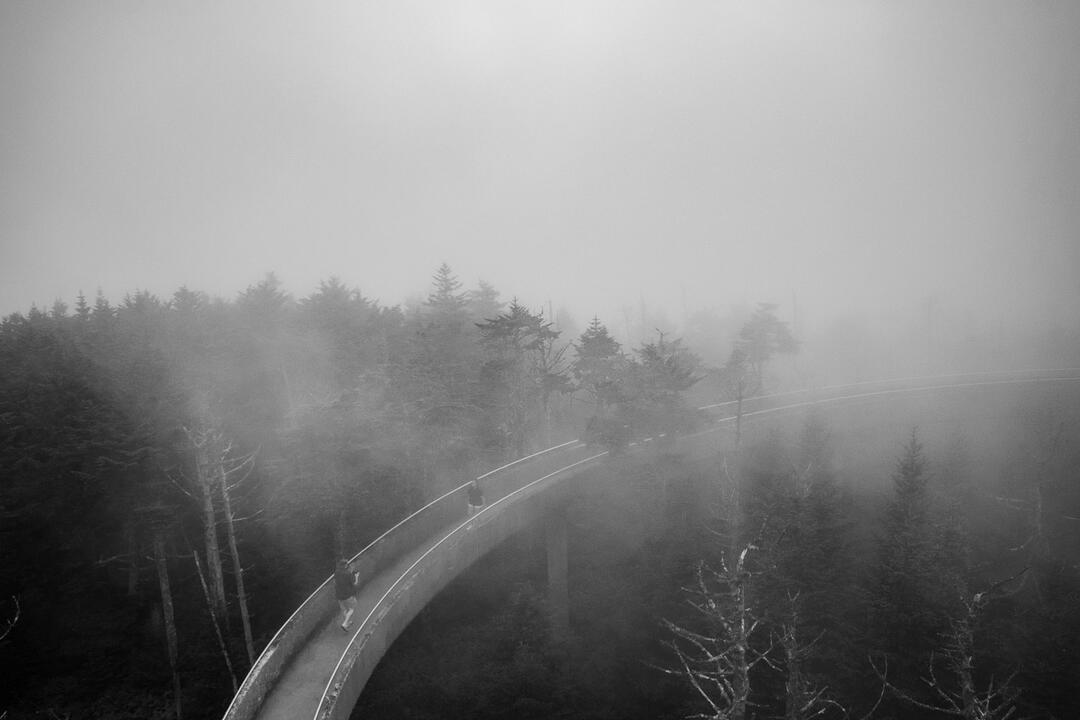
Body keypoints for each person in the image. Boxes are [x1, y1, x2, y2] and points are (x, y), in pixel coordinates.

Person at [334, 559, 358, 631]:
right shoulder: (348, 573)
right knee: (352, 608)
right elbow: (354, 583)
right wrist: (356, 576)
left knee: (344, 609)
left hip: (338, 595)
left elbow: (335, 582)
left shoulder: (336, 572)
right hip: (347, 595)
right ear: (345, 565)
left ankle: (347, 623)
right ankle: (344, 624)